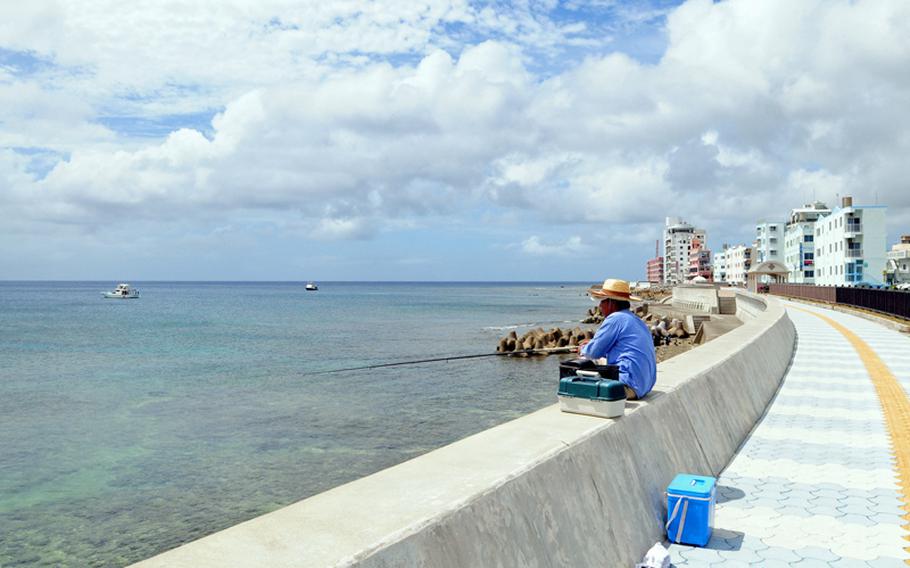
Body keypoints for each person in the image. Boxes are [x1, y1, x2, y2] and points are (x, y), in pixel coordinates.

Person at [578, 279, 657, 400]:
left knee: (582, 362)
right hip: (644, 386)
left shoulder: (615, 318)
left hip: (628, 385)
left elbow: (592, 353)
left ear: (611, 303)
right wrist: (592, 344)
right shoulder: (635, 320)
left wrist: (582, 348)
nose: (599, 306)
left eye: (602, 301)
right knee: (600, 361)